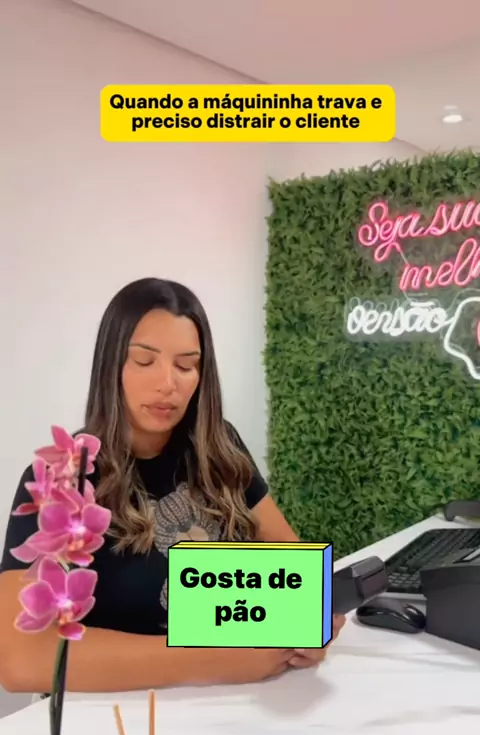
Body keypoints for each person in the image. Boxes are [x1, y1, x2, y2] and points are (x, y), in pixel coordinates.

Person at [0, 278, 345, 694]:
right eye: (144, 361)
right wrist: (214, 660)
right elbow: (21, 659)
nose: (168, 383)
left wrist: (311, 622)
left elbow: (297, 574)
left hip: (243, 702)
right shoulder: (62, 478)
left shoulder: (220, 448)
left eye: (186, 366)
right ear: (111, 365)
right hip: (120, 716)